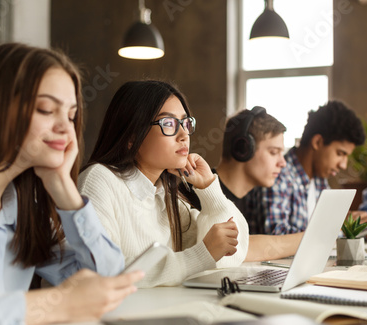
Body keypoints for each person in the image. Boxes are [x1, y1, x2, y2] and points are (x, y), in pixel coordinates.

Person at [0, 43, 142, 325]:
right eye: (46, 109)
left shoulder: (25, 205)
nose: (66, 128)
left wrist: (63, 187)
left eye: (71, 114)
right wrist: (58, 303)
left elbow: (107, 282)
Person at [78, 80, 249, 288]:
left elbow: (227, 258)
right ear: (131, 136)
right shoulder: (99, 180)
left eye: (186, 123)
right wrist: (200, 255)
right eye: (168, 123)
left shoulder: (165, 194)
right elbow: (102, 274)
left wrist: (209, 189)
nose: (184, 135)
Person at [248, 101, 367, 235]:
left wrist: (348, 224)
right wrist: (334, 226)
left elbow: (326, 226)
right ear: (317, 142)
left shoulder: (319, 181)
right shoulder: (277, 174)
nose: (343, 165)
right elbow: (277, 235)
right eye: (340, 154)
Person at [214, 107, 304, 261]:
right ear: (244, 149)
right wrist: (316, 235)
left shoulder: (250, 198)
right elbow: (240, 248)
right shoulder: (204, 192)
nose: (283, 163)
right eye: (274, 152)